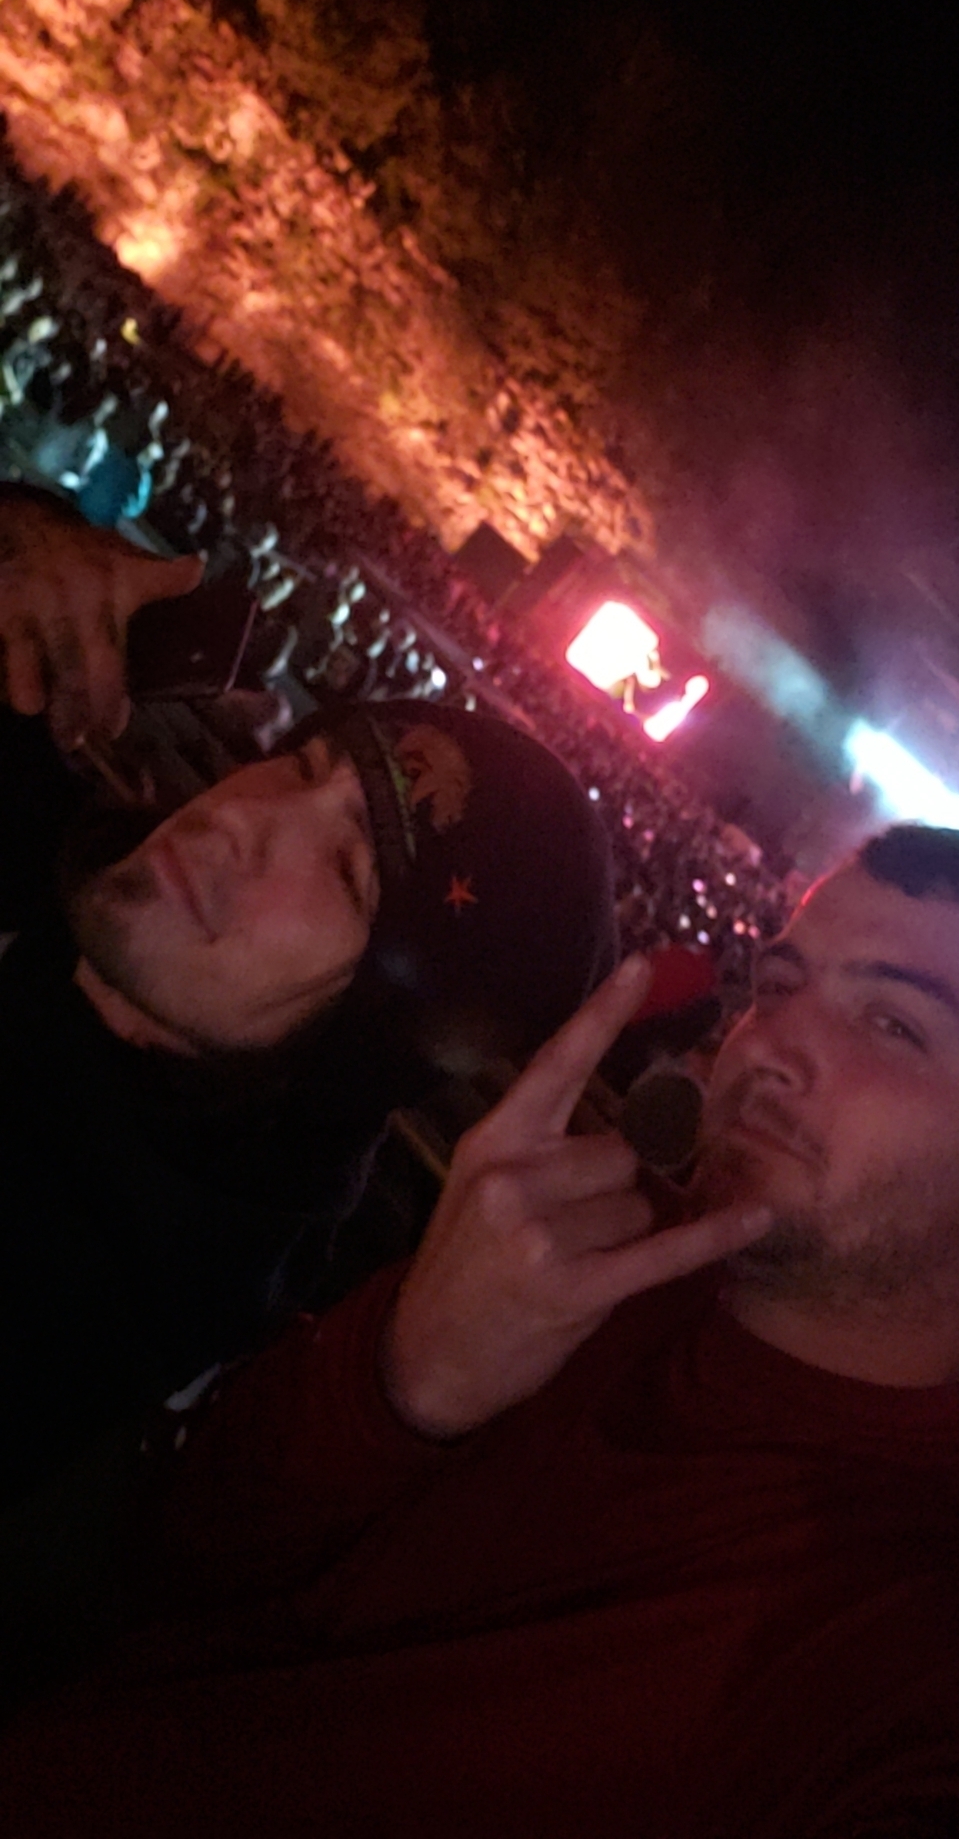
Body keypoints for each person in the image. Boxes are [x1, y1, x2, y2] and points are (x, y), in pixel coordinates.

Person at [3, 824, 959, 1835]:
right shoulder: (560, 1250)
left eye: (894, 1025)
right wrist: (396, 1379)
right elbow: (160, 1552)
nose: (772, 1049)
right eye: (780, 986)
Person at [0, 481, 616, 1506]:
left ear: (372, 1037)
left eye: (347, 873)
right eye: (300, 769)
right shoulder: (34, 827)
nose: (245, 819)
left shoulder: (99, 1324)